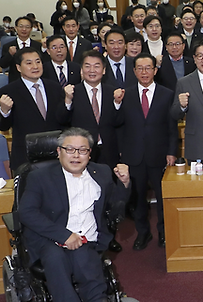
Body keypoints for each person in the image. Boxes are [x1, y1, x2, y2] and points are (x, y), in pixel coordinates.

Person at [18, 127, 131, 302]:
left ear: (90, 153)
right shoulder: (39, 177)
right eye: (69, 149)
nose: (76, 155)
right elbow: (26, 212)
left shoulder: (101, 173)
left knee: (88, 268)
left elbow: (115, 208)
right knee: (56, 260)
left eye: (82, 150)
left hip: (87, 239)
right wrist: (64, 236)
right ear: (58, 152)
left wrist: (124, 184)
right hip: (50, 239)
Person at [120, 53, 177, 250]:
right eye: (140, 68)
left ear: (155, 70)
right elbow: (120, 126)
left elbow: (172, 127)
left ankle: (163, 232)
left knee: (162, 198)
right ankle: (143, 233)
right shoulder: (125, 95)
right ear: (134, 71)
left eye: (148, 68)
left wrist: (172, 152)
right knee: (138, 198)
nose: (144, 72)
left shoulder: (167, 94)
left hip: (159, 155)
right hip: (133, 156)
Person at [0, 48, 64, 171]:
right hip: (25, 158)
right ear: (18, 68)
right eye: (29, 63)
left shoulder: (55, 87)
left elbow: (62, 119)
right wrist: (4, 111)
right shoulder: (8, 92)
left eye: (38, 62)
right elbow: (4, 127)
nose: (35, 66)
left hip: (56, 156)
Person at [0, 17, 43, 83]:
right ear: (16, 28)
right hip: (15, 81)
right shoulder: (8, 46)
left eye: (27, 27)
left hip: (34, 80)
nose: (24, 29)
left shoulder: (37, 45)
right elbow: (3, 65)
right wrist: (9, 54)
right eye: (21, 26)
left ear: (31, 29)